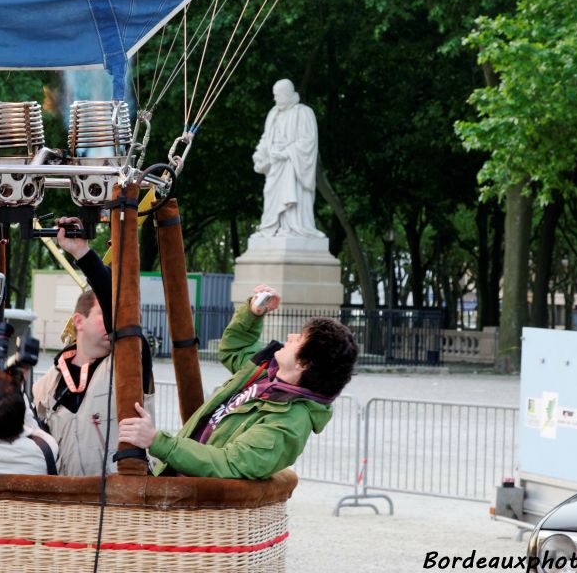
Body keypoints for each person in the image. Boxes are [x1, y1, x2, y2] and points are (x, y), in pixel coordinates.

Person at [118, 284, 356, 479]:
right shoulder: (267, 373)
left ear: (304, 364)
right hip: (181, 487)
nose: (291, 337)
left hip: (200, 511)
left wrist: (157, 441)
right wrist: (253, 314)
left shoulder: (291, 422)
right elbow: (235, 349)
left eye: (300, 338)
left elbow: (230, 464)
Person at [31, 217, 154, 476]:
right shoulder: (46, 385)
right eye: (102, 316)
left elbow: (118, 304)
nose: (113, 323)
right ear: (79, 321)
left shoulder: (128, 362)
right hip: (65, 503)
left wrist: (82, 253)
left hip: (120, 503)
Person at [251, 79, 325, 238]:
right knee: (270, 193)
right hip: (275, 165)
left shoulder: (303, 112)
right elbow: (266, 138)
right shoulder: (273, 113)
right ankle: (270, 228)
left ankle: (293, 228)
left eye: (277, 95)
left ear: (287, 94)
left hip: (293, 164)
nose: (275, 99)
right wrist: (259, 155)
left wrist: (286, 153)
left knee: (293, 197)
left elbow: (308, 141)